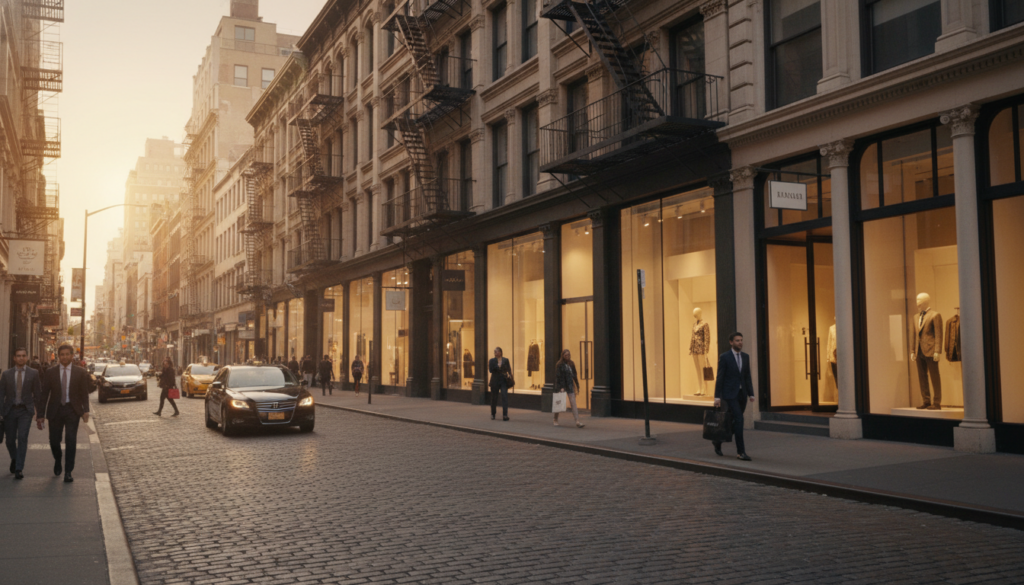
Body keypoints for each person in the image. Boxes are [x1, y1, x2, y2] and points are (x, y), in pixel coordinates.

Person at [37, 344, 91, 483]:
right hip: (55, 410)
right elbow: (44, 394)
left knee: (71, 440)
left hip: (72, 410)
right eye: (62, 354)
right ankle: (58, 459)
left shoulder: (80, 372)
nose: (65, 357)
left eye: (67, 354)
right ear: (59, 356)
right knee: (54, 441)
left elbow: (84, 393)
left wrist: (86, 410)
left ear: (72, 356)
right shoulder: (50, 372)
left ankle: (68, 471)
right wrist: (40, 414)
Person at [0, 348, 43, 479]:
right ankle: (15, 458)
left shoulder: (33, 373)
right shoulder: (6, 374)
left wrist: (40, 414)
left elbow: (38, 394)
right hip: (10, 410)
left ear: (27, 358)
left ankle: (19, 468)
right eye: (18, 356)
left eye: (23, 356)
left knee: (23, 437)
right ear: (14, 358)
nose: (21, 358)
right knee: (10, 440)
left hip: (25, 410)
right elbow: (1, 395)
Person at [713, 332, 756, 461]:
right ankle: (741, 452)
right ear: (731, 342)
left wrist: (751, 393)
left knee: (735, 422)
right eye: (737, 340)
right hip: (729, 395)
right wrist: (717, 397)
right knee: (739, 419)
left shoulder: (745, 357)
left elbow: (747, 376)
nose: (740, 342)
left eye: (741, 340)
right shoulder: (725, 357)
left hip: (741, 395)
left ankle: (718, 441)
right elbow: (720, 377)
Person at [553, 349, 584, 428]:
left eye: (568, 355)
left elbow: (574, 375)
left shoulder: (571, 363)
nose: (567, 357)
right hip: (562, 386)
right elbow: (558, 377)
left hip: (570, 385)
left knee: (573, 403)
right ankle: (555, 419)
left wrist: (577, 384)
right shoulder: (559, 364)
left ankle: (577, 421)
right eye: (566, 355)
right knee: (559, 403)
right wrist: (560, 387)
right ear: (562, 355)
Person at [488, 347, 512, 421]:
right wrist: (497, 366)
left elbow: (509, 369)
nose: (496, 353)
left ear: (501, 352)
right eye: (495, 352)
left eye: (498, 351)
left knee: (504, 397)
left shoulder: (505, 360)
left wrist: (510, 376)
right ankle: (493, 414)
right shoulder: (491, 360)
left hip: (503, 381)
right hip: (495, 381)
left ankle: (505, 415)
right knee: (494, 398)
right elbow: (490, 370)